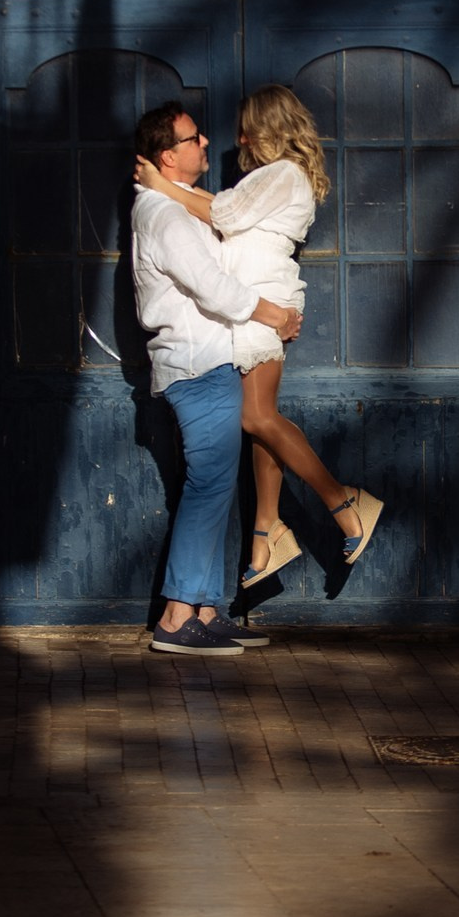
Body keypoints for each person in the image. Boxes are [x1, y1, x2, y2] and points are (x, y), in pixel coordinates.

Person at [135, 81, 384, 591]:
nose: (239, 141)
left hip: (261, 304)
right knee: (259, 418)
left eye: (246, 131)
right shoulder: (274, 177)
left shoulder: (283, 173)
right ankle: (266, 532)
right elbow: (222, 206)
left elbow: (222, 214)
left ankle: (343, 500)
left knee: (255, 416)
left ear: (267, 129)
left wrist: (161, 186)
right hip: (255, 304)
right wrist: (170, 190)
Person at [132, 101, 303, 656]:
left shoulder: (175, 206)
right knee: (207, 487)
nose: (206, 142)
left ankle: (205, 610)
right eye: (193, 138)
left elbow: (224, 219)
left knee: (214, 488)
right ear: (167, 156)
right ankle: (177, 616)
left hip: (210, 363)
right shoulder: (163, 215)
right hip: (196, 365)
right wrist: (275, 315)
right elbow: (214, 288)